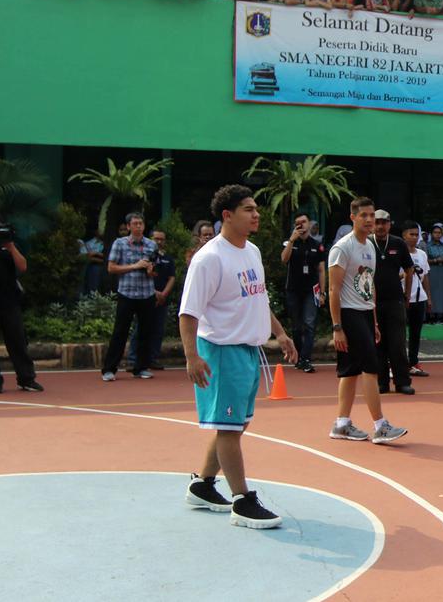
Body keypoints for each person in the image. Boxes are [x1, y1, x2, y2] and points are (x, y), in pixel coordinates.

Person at [180, 184, 298, 529]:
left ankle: (203, 484)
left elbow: (257, 298)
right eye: (248, 209)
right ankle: (242, 500)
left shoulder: (252, 252)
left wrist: (279, 331)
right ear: (227, 216)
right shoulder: (209, 258)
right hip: (220, 350)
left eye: (256, 208)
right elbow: (188, 313)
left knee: (237, 423)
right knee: (229, 428)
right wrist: (191, 356)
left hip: (248, 350)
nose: (256, 214)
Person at [328, 197, 408, 445]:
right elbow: (333, 289)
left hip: (364, 313)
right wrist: (337, 327)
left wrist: (372, 320)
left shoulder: (370, 247)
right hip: (349, 314)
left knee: (350, 372)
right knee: (371, 368)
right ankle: (380, 426)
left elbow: (369, 285)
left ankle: (341, 424)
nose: (370, 220)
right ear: (352, 217)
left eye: (372, 216)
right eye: (364, 215)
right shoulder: (343, 248)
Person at [0, 222, 42, 393]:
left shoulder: (7, 246)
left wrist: (10, 245)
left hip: (10, 302)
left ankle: (26, 379)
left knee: (18, 341)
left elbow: (23, 266)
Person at [102, 213, 158, 381]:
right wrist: (135, 266)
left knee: (145, 331)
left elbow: (155, 270)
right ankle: (109, 369)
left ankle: (141, 367)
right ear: (128, 226)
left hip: (146, 293)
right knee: (120, 331)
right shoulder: (120, 244)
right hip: (127, 292)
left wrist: (150, 269)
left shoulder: (151, 244)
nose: (138, 226)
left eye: (141, 223)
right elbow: (111, 268)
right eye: (135, 224)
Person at [369, 210, 413, 394]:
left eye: (384, 223)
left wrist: (407, 295)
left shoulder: (398, 243)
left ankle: (403, 382)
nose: (380, 226)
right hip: (372, 303)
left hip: (395, 300)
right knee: (377, 344)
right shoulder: (366, 243)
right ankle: (381, 382)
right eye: (377, 222)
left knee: (397, 343)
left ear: (389, 224)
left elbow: (409, 269)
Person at [280, 212, 327, 373]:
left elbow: (321, 270)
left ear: (309, 224)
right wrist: (292, 240)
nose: (301, 225)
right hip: (293, 289)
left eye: (304, 222)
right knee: (296, 326)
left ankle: (306, 358)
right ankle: (299, 357)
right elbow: (284, 259)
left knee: (309, 323)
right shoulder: (290, 243)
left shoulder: (317, 245)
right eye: (298, 223)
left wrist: (322, 292)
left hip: (310, 290)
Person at [126, 230, 176, 370]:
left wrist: (163, 294)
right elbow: (142, 276)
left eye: (162, 239)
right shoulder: (145, 257)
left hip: (162, 299)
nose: (159, 241)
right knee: (140, 328)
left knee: (158, 330)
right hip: (146, 297)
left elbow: (172, 277)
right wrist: (153, 293)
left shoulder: (167, 258)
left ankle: (152, 358)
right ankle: (132, 359)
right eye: (156, 238)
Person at [402, 222, 432, 375]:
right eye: (411, 234)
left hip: (419, 299)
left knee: (415, 333)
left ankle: (413, 362)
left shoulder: (421, 254)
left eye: (416, 234)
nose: (414, 237)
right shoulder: (398, 254)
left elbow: (425, 276)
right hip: (402, 299)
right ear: (404, 236)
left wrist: (429, 298)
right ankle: (398, 363)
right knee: (399, 333)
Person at [426, 224, 443, 322]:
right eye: (435, 233)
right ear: (431, 234)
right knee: (433, 292)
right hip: (432, 270)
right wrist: (436, 260)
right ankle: (431, 315)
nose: (437, 235)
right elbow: (425, 260)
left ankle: (442, 315)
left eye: (439, 233)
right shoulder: (427, 246)